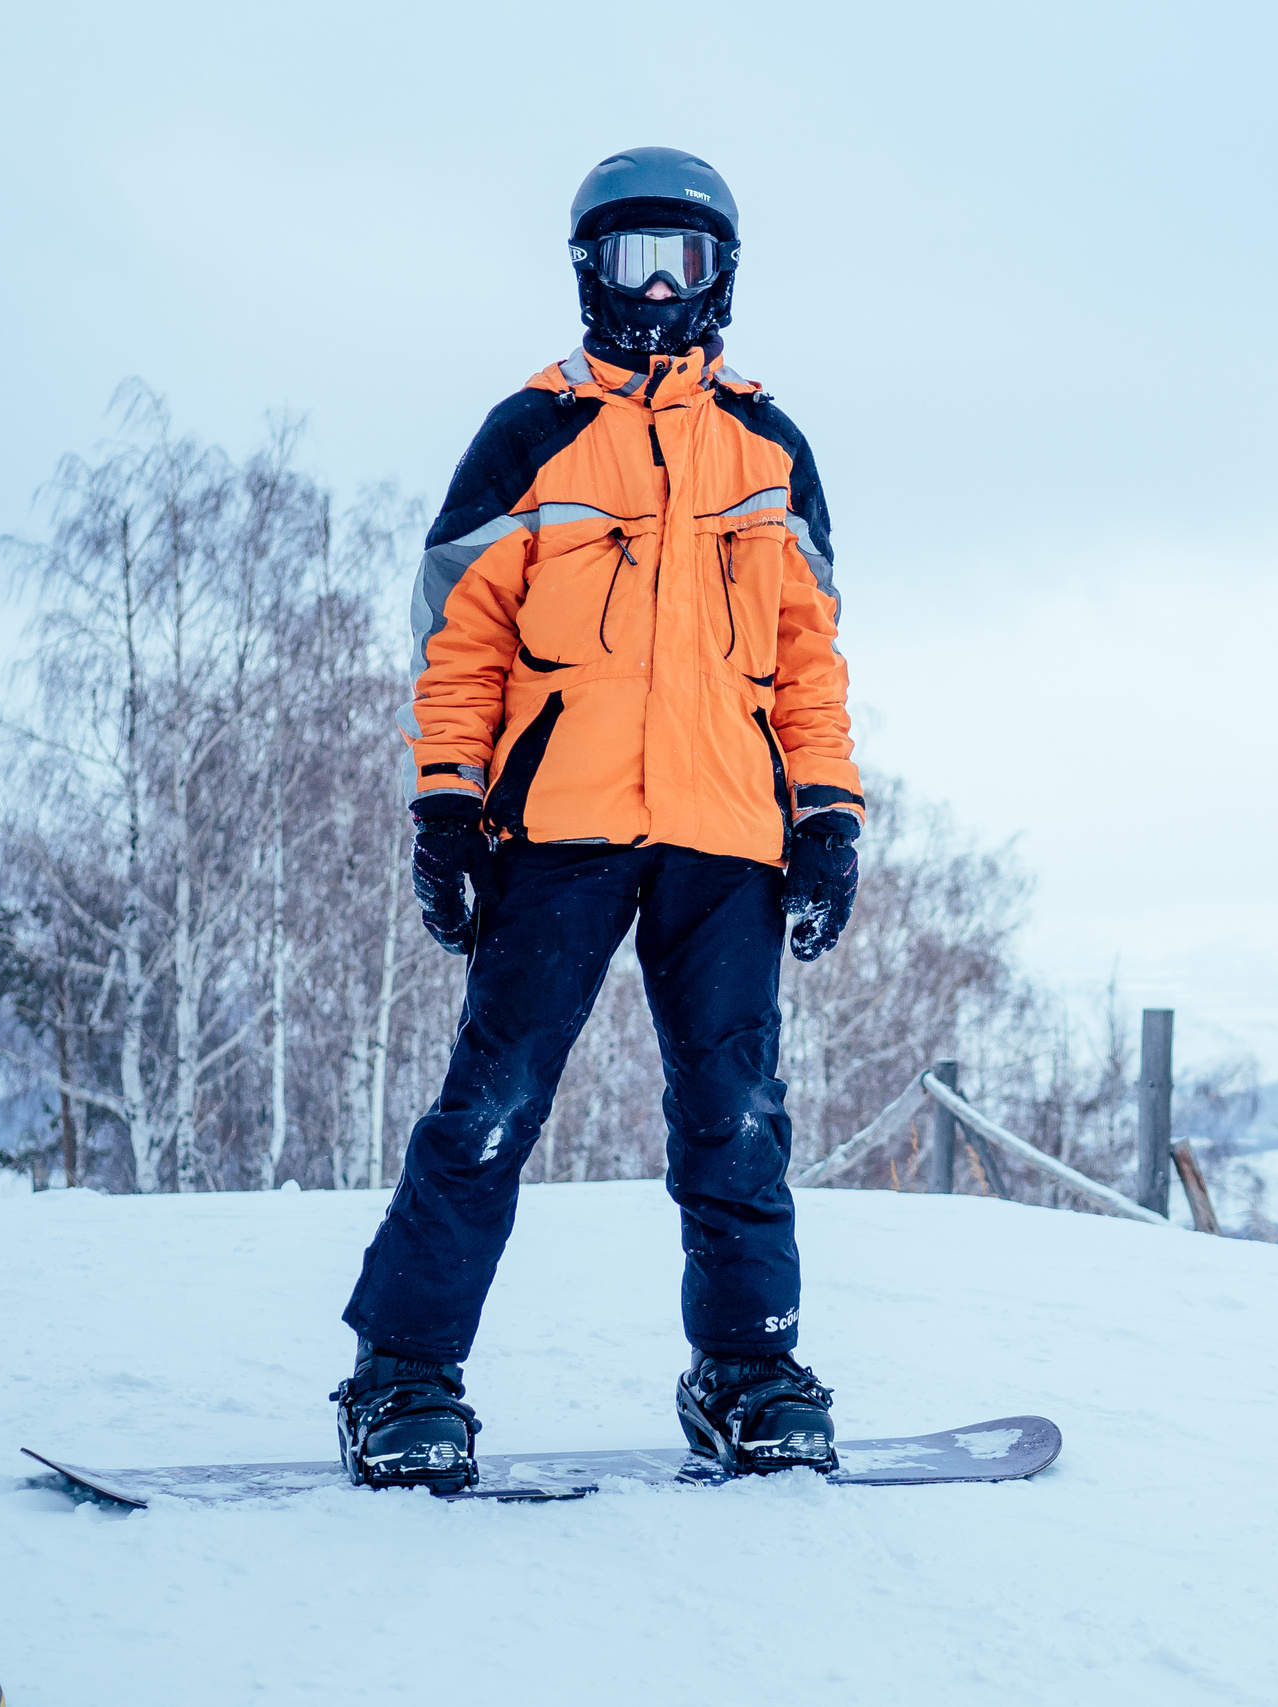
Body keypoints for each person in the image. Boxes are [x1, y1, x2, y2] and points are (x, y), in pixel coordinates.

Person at [331, 147, 864, 1489]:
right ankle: (401, 1379)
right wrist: (446, 808)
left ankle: (746, 1373)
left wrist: (829, 817)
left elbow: (810, 660)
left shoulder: (770, 448)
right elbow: (460, 645)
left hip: (727, 834)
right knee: (492, 1105)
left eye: (685, 260)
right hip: (558, 829)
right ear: (590, 272)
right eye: (635, 259)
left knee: (737, 1118)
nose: (660, 288)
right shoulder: (530, 433)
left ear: (722, 276)